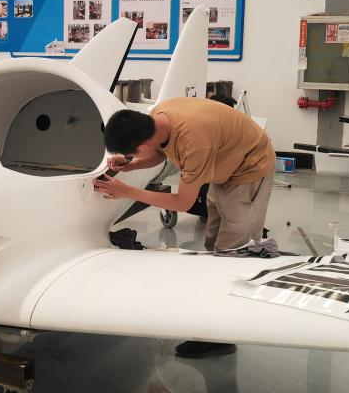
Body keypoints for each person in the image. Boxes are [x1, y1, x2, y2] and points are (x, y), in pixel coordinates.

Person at [92, 96, 276, 358]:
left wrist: (128, 191)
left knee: (234, 252)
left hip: (249, 168)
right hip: (225, 162)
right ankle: (216, 310)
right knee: (214, 243)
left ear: (142, 145)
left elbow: (182, 202)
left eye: (135, 152)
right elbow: (160, 152)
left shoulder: (194, 142)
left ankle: (221, 337)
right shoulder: (160, 116)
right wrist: (132, 164)